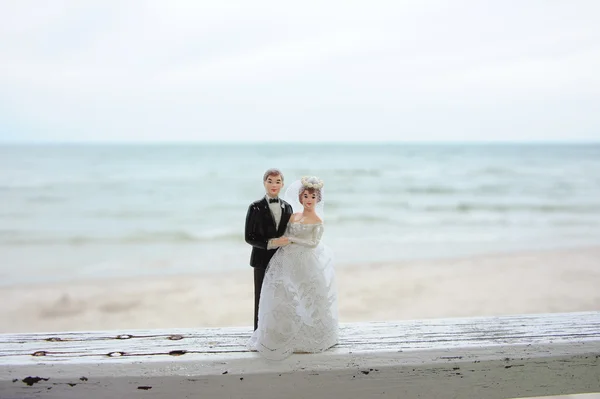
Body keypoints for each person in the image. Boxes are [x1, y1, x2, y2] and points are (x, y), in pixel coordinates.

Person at [248, 176, 338, 360]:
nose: (309, 200)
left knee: (308, 291)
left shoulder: (317, 220)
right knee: (283, 291)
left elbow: (313, 242)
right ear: (301, 198)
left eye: (312, 197)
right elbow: (285, 232)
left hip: (305, 258)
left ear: (318, 199)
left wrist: (292, 240)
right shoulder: (294, 216)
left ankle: (310, 332)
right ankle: (281, 331)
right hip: (286, 257)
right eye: (306, 196)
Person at [245, 168, 293, 331]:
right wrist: (272, 243)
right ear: (264, 183)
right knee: (261, 296)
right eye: (270, 181)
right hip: (261, 260)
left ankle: (277, 330)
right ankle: (258, 331)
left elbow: (289, 232)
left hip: (281, 259)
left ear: (282, 184)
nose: (274, 185)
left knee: (280, 296)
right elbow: (249, 237)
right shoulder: (255, 207)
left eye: (278, 181)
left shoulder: (287, 207)